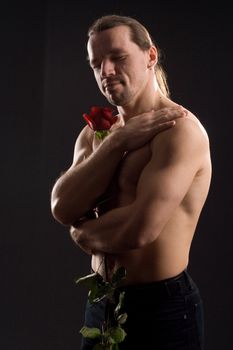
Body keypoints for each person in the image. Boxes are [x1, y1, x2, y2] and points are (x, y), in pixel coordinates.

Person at [50, 14, 212, 349]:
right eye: (97, 64)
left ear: (150, 56)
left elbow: (141, 229)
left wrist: (82, 233)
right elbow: (62, 206)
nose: (105, 72)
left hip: (162, 307)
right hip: (103, 302)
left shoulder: (179, 131)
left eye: (118, 58)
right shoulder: (97, 133)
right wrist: (117, 141)